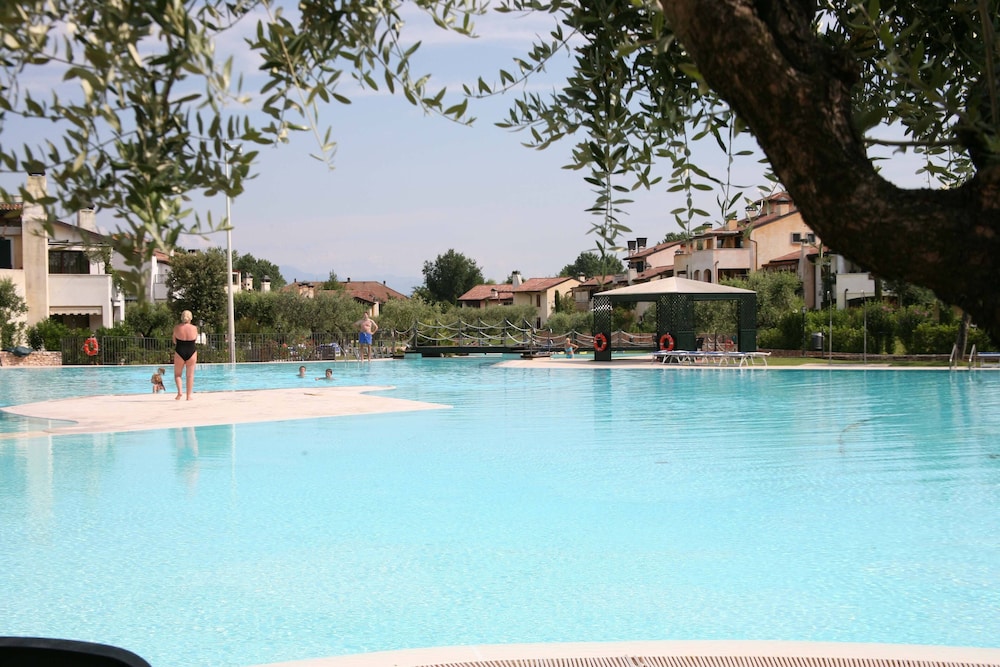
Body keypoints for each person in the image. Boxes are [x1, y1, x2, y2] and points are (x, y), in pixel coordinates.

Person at [172, 310, 199, 401]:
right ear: (190, 317)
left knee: (177, 375)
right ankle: (188, 396)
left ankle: (180, 392)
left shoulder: (177, 328)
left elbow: (174, 341)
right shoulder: (194, 328)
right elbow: (195, 339)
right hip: (191, 351)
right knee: (190, 375)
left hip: (179, 350)